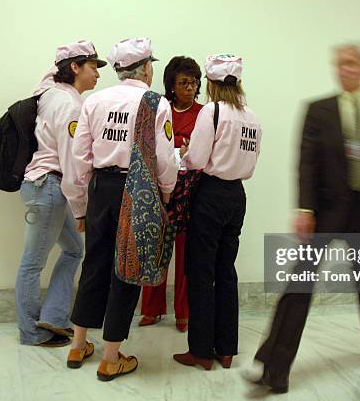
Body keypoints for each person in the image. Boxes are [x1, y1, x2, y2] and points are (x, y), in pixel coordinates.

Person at [247, 42, 360, 393]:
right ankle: (275, 368)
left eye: (351, 63)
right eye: (339, 63)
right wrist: (305, 208)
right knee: (298, 284)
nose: (344, 69)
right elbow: (306, 161)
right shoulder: (319, 110)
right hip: (326, 210)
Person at [65, 37, 178, 380]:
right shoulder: (155, 103)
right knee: (128, 267)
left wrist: (80, 207)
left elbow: (79, 159)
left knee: (94, 263)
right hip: (137, 191)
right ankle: (111, 356)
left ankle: (78, 344)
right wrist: (167, 194)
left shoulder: (94, 101)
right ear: (145, 68)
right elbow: (165, 161)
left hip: (100, 189)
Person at [173, 54, 262, 370]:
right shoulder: (251, 116)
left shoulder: (212, 112)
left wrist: (185, 153)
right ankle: (226, 350)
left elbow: (195, 159)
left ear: (211, 83)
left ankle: (200, 351)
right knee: (226, 270)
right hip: (237, 195)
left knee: (201, 272)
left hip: (209, 194)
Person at [15, 40, 105, 346]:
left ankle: (53, 318)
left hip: (42, 186)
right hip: (50, 187)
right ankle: (31, 331)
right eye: (93, 66)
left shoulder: (48, 92)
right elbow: (72, 162)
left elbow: (48, 75)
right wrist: (81, 208)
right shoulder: (70, 105)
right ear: (75, 68)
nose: (98, 74)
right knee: (32, 262)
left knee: (73, 250)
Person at [139, 56, 204, 332]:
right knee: (156, 250)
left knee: (186, 254)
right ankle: (151, 309)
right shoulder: (160, 109)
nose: (190, 88)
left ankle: (183, 312)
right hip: (160, 189)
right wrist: (181, 148)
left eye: (193, 82)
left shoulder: (204, 113)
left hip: (192, 193)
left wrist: (183, 150)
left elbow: (204, 152)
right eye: (183, 83)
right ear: (171, 85)